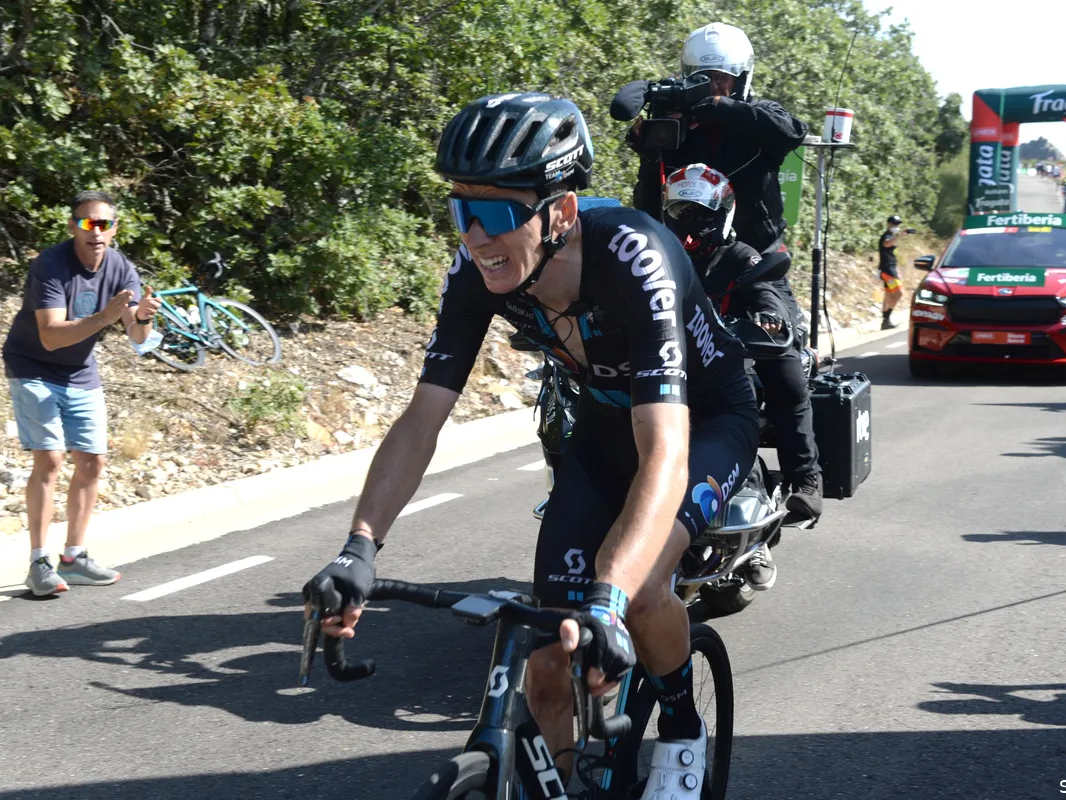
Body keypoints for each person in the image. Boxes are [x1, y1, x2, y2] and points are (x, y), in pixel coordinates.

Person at [305, 93, 759, 795]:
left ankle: (680, 731)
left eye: (493, 215)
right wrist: (357, 548)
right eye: (461, 213)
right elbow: (422, 417)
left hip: (704, 422)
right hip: (606, 430)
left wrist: (608, 598)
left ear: (562, 214)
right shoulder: (479, 272)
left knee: (636, 593)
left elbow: (665, 447)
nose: (475, 238)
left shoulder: (636, 257)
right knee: (547, 664)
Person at [2, 190, 162, 596]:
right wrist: (104, 317)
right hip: (33, 364)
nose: (96, 232)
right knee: (51, 459)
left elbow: (138, 338)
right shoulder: (51, 265)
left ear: (114, 228)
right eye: (88, 223)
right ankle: (39, 562)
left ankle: (73, 557)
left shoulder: (123, 267)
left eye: (104, 224)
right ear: (73, 226)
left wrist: (140, 317)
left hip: (79, 371)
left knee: (92, 462)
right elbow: (51, 337)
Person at [662, 164, 823, 520]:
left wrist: (770, 316)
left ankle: (806, 480)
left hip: (735, 349)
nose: (690, 223)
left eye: (700, 214)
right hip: (673, 351)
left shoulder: (739, 255)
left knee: (787, 380)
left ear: (722, 214)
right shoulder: (659, 256)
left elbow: (766, 287)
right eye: (680, 213)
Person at [625, 21, 808, 254]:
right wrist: (649, 155)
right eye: (703, 78)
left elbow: (793, 132)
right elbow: (650, 208)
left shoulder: (758, 115)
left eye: (722, 78)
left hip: (757, 253)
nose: (713, 86)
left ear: (740, 79)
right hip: (688, 253)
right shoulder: (676, 126)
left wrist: (723, 108)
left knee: (770, 293)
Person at [879, 214, 907, 330]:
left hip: (890, 268)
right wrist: (900, 236)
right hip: (887, 270)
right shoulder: (886, 236)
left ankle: (885, 321)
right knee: (899, 293)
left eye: (897, 224)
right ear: (888, 224)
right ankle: (887, 318)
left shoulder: (891, 236)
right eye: (894, 224)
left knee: (888, 295)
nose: (896, 226)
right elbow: (886, 243)